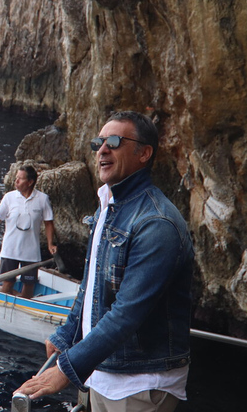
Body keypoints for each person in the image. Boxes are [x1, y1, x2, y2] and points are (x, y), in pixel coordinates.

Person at [16, 111, 194, 412]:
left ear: (144, 154)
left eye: (114, 141)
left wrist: (65, 369)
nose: (102, 149)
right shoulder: (108, 206)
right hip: (102, 372)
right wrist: (68, 334)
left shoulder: (157, 223)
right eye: (98, 142)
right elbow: (91, 285)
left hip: (141, 383)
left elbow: (126, 313)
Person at [0, 164, 55, 299]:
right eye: (16, 178)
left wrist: (50, 244)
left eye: (20, 179)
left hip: (31, 252)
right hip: (10, 249)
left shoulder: (42, 199)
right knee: (7, 282)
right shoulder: (9, 197)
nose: (16, 181)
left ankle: (24, 308)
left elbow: (49, 222)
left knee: (29, 284)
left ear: (30, 182)